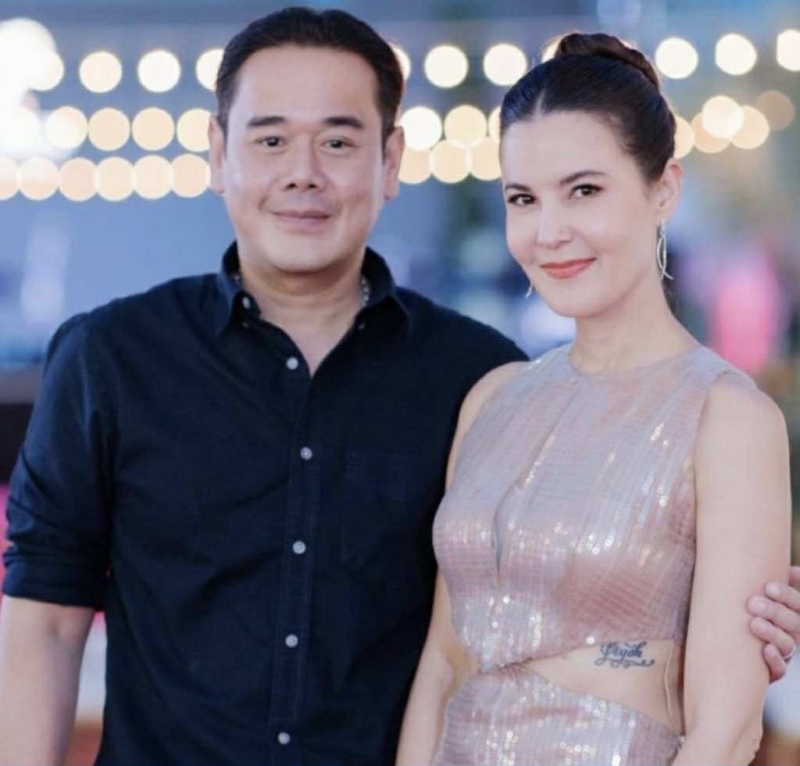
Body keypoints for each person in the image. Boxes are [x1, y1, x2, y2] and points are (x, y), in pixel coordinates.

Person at [0, 10, 797, 766]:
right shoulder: (114, 357)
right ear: (218, 151)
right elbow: (44, 618)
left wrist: (733, 613)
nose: (303, 174)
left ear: (390, 161)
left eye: (338, 141)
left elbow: (694, 685)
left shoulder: (473, 373)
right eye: (271, 139)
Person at [396, 32, 795, 766]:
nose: (549, 232)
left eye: (584, 191)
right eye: (523, 198)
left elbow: (726, 730)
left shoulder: (728, 417)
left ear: (663, 189)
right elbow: (443, 666)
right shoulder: (491, 400)